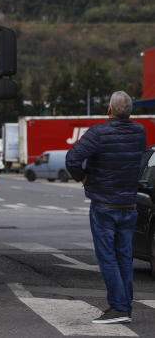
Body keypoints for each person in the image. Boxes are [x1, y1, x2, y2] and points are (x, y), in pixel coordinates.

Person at [66, 91, 146, 325]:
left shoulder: (98, 132)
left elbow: (72, 159)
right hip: (129, 204)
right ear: (129, 111)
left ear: (109, 110)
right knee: (124, 256)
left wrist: (84, 178)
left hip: (104, 204)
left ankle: (119, 307)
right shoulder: (139, 131)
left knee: (107, 257)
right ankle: (125, 306)